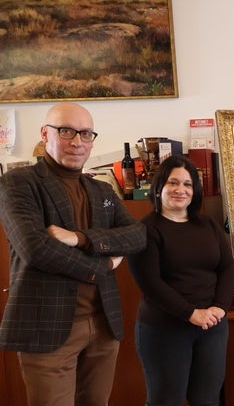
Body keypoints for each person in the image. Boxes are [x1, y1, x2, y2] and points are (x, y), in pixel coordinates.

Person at [0, 103, 147, 405]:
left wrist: (81, 238)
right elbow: (36, 249)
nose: (77, 141)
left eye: (85, 133)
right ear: (45, 134)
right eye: (66, 131)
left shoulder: (102, 190)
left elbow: (137, 235)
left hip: (103, 325)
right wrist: (104, 264)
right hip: (48, 329)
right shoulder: (18, 182)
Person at [127, 155, 234, 406]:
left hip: (212, 327)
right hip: (165, 329)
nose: (181, 190)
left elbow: (228, 266)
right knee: (166, 401)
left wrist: (219, 307)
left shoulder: (208, 225)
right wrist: (190, 313)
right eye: (173, 183)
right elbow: (150, 283)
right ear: (159, 188)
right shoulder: (146, 229)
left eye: (187, 184)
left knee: (207, 400)